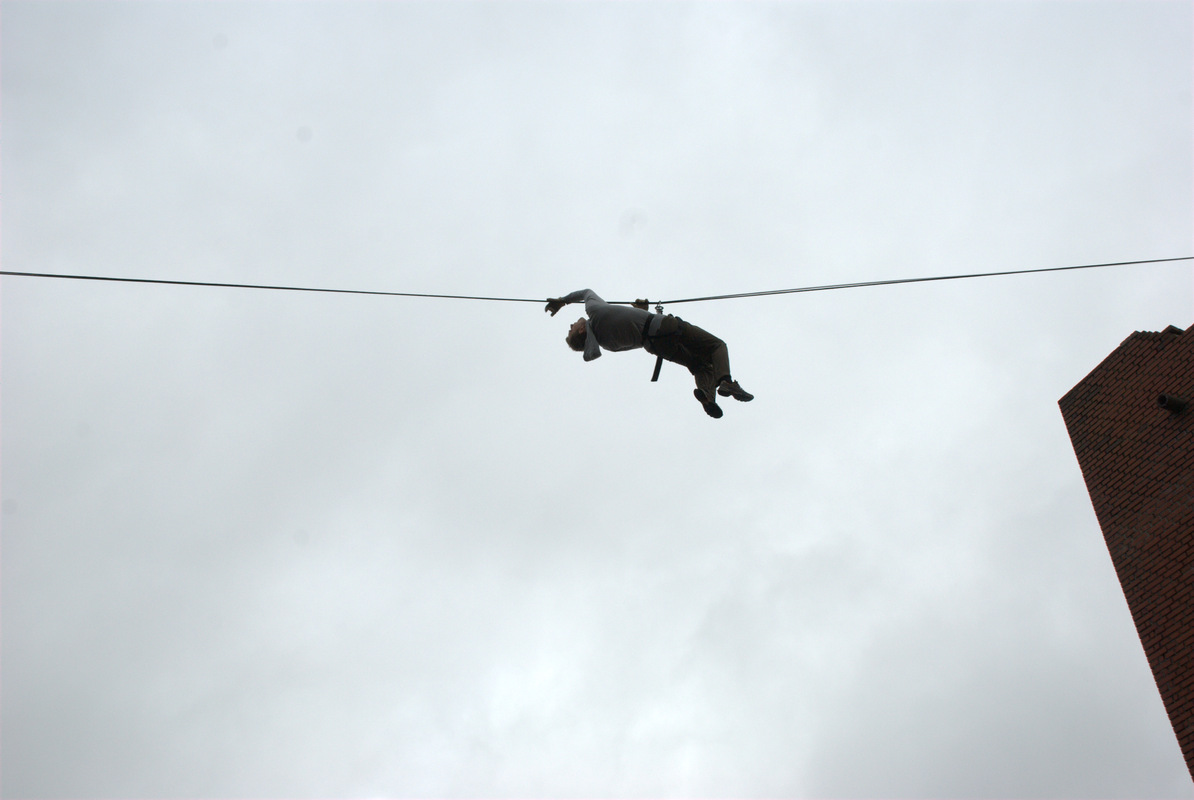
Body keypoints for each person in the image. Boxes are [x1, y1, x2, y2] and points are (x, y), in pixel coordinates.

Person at [545, 289, 753, 418]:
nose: (571, 325)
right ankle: (726, 381)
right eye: (572, 329)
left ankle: (708, 397)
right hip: (666, 327)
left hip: (656, 346)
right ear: (582, 330)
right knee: (716, 346)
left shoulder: (607, 345)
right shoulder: (595, 311)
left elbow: (636, 333)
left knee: (698, 366)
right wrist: (562, 301)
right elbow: (586, 292)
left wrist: (640, 312)